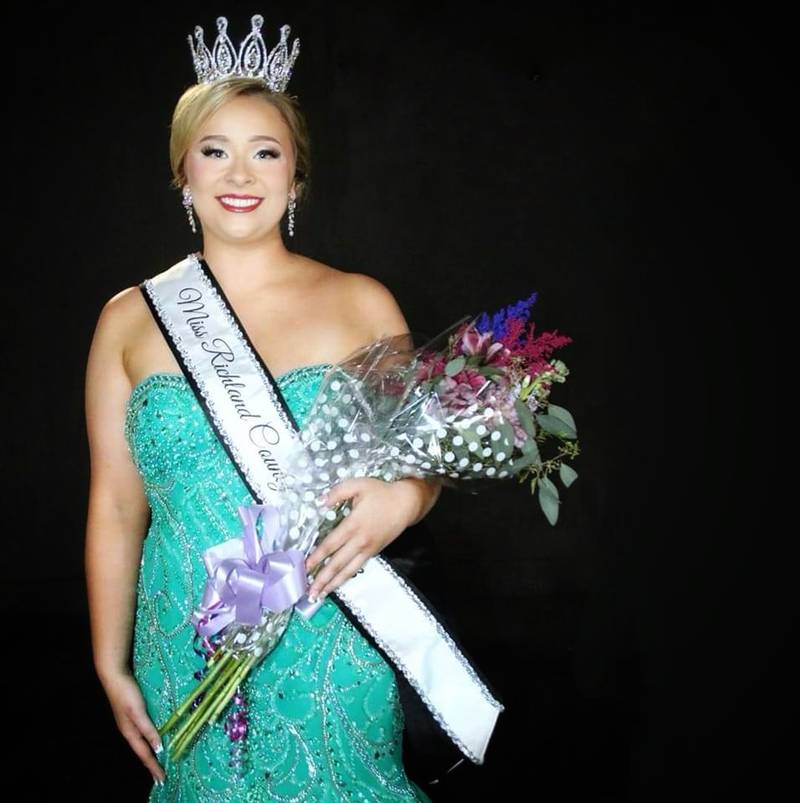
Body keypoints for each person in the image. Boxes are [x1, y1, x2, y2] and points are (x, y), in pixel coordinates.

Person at [84, 15, 445, 801]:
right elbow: (116, 506)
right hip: (186, 636)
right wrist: (108, 662)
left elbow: (419, 462)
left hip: (330, 627)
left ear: (296, 178)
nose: (238, 173)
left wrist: (403, 500)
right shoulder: (129, 319)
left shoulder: (360, 302)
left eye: (265, 151)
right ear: (183, 172)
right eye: (214, 150)